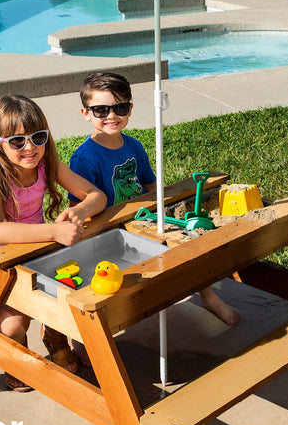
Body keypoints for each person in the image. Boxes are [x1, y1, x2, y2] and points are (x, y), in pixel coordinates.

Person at [70, 72, 240, 326]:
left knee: (189, 244)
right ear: (86, 113)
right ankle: (88, 332)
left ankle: (209, 297)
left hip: (143, 219)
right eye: (101, 110)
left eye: (120, 107)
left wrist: (165, 210)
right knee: (105, 281)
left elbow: (151, 186)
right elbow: (78, 208)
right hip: (108, 230)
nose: (112, 115)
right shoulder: (84, 159)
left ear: (130, 108)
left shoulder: (134, 146)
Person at [0, 95, 106, 390]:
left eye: (38, 137)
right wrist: (53, 233)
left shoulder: (47, 163)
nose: (30, 148)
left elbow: (97, 196)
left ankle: (54, 336)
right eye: (17, 141)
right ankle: (18, 351)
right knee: (15, 325)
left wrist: (80, 210)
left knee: (72, 289)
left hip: (38, 252)